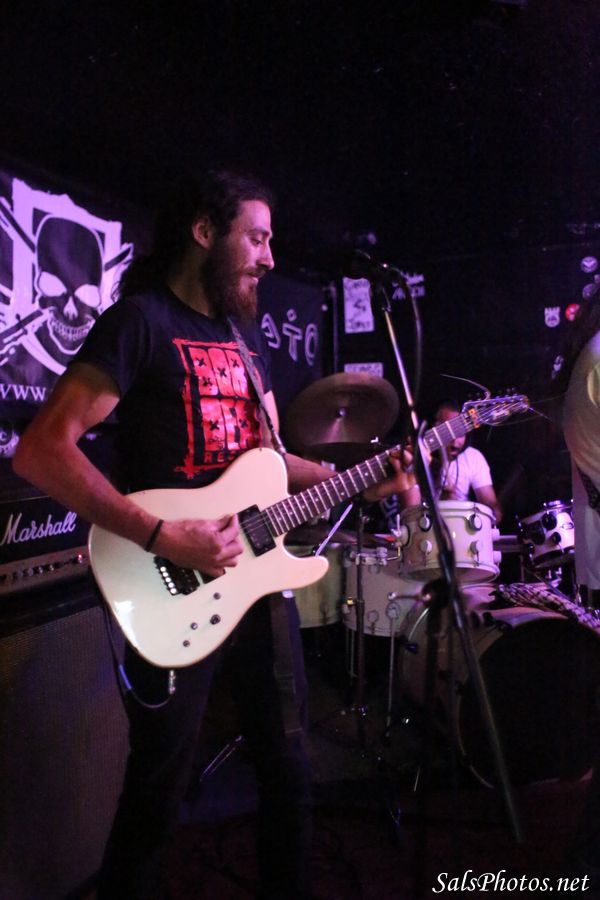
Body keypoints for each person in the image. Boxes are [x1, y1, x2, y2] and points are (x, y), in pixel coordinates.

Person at [12, 169, 416, 900]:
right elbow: (41, 450)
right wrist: (162, 535)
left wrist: (359, 476)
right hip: (166, 584)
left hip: (256, 585)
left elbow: (269, 464)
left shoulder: (244, 336)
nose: (269, 257)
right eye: (256, 238)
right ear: (204, 232)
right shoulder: (139, 323)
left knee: (289, 769)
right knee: (158, 788)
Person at [431, 399, 502, 523]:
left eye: (460, 433)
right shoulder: (421, 455)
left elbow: (490, 504)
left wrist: (493, 511)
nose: (455, 440)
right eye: (449, 432)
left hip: (461, 525)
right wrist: (441, 502)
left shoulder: (473, 457)